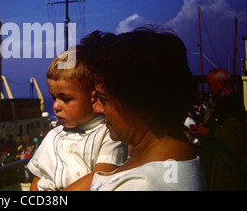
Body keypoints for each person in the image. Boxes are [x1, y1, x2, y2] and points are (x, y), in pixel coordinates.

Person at [82, 27, 206, 191]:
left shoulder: (142, 185)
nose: (96, 108)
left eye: (104, 99)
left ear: (141, 101)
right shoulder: (179, 160)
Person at [28, 41, 128, 191]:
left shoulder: (109, 135)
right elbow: (37, 180)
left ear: (93, 98)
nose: (56, 106)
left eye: (65, 99)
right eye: (53, 98)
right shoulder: (52, 136)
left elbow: (102, 176)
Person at [190, 68, 247, 190]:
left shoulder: (232, 104)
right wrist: (203, 128)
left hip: (225, 170)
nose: (208, 88)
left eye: (210, 84)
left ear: (221, 84)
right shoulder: (224, 101)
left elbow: (233, 134)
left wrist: (208, 132)